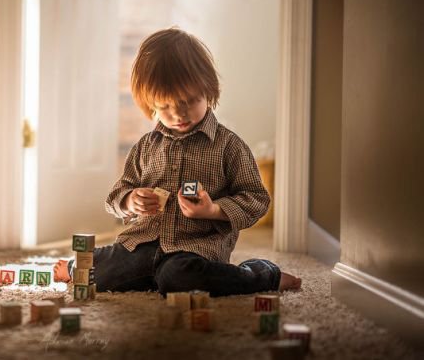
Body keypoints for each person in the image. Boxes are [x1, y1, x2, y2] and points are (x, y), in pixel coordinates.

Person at [53, 27, 301, 295]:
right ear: (151, 104)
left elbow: (257, 199)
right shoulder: (145, 147)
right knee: (100, 269)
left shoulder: (229, 145)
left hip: (192, 250)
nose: (178, 114)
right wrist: (129, 200)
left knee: (179, 278)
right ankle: (111, 269)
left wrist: (213, 210)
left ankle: (263, 274)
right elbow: (115, 195)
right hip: (142, 245)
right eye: (165, 106)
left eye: (189, 101)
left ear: (209, 90)